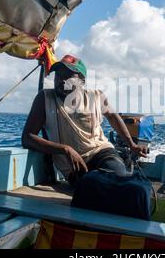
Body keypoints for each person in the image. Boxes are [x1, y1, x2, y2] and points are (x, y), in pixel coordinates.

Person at [22, 54, 147, 185]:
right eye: (58, 75)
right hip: (73, 166)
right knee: (94, 186)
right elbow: (27, 138)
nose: (62, 81)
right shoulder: (45, 99)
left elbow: (112, 116)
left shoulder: (96, 96)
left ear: (82, 81)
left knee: (119, 179)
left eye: (69, 76)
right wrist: (65, 149)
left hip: (101, 151)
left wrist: (131, 145)